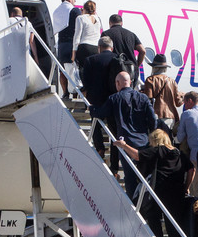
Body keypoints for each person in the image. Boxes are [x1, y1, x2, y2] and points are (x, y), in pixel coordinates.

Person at [113, 129, 192, 237]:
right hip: (176, 193)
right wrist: (187, 186)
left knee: (153, 218)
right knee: (173, 225)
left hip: (159, 192)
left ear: (156, 140)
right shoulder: (179, 153)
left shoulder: (159, 150)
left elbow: (138, 155)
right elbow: (191, 169)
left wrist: (123, 145)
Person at [93, 71, 156, 200]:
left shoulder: (114, 98)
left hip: (125, 144)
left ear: (117, 83)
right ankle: (146, 206)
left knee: (130, 177)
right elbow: (153, 121)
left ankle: (133, 205)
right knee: (146, 177)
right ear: (131, 82)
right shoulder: (143, 98)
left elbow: (100, 113)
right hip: (143, 143)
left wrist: (92, 109)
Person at [78, 37, 121, 162]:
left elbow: (85, 81)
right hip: (114, 99)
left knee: (96, 123)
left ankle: (100, 148)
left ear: (99, 48)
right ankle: (114, 165)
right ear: (111, 48)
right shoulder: (118, 58)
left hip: (96, 99)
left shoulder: (90, 60)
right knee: (114, 132)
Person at [141, 54, 184, 130]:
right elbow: (178, 103)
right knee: (167, 140)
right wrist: (183, 96)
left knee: (155, 140)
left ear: (154, 67)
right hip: (170, 117)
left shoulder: (150, 80)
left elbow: (148, 100)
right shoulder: (172, 81)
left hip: (156, 116)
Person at [51, 0, 81, 98]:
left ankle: (65, 93)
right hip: (72, 44)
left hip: (61, 44)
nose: (75, 1)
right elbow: (80, 23)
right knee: (74, 70)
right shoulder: (74, 10)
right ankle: (76, 93)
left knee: (62, 70)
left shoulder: (56, 11)